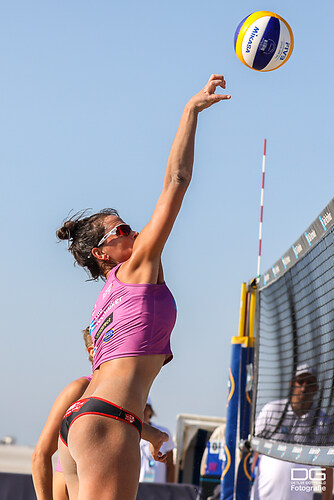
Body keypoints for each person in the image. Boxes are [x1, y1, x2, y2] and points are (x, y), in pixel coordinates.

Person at [56, 74, 231, 500]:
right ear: (102, 253)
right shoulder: (137, 265)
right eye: (122, 229)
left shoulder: (104, 301)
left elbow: (115, 373)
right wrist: (191, 111)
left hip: (85, 421)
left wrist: (148, 431)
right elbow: (177, 181)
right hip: (110, 420)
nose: (133, 231)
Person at [32, 330, 169, 500]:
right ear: (93, 351)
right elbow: (40, 455)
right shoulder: (79, 389)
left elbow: (122, 420)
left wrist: (153, 435)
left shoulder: (120, 391)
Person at [251, 364, 333, 500]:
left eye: (310, 383)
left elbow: (328, 470)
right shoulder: (272, 410)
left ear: (316, 389)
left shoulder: (323, 421)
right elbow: (253, 453)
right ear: (292, 384)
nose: (304, 387)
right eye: (300, 381)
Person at [139, 398, 175, 483]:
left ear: (151, 411)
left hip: (159, 489)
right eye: (141, 407)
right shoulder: (130, 433)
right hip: (138, 489)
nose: (143, 410)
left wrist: (170, 490)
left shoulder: (163, 432)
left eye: (146, 407)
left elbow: (170, 466)